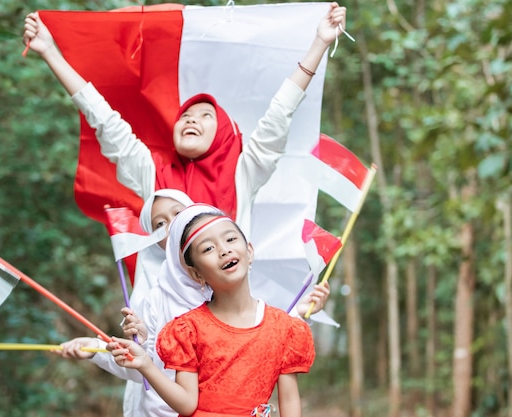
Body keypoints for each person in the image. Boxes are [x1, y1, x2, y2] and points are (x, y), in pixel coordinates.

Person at [22, 3, 348, 237]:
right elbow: (104, 119)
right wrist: (50, 52)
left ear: (222, 134)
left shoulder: (244, 173)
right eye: (185, 116)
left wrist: (319, 43)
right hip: (162, 320)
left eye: (206, 116)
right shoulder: (152, 175)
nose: (191, 120)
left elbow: (280, 113)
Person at [60, 203, 330, 417]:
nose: (223, 251)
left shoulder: (285, 328)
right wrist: (144, 364)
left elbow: (290, 400)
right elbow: (187, 405)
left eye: (230, 239)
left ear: (249, 250)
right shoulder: (187, 330)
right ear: (196, 273)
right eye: (208, 248)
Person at [58, 189, 193, 417]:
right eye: (160, 223)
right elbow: (141, 367)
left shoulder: (223, 278)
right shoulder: (150, 297)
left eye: (178, 213)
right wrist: (96, 349)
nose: (172, 225)